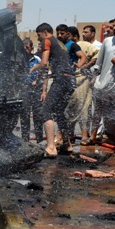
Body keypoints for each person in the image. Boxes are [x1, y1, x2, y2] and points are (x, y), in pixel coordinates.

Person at [29, 23, 75, 157]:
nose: (38, 39)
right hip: (70, 80)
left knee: (45, 111)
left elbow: (44, 63)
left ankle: (51, 147)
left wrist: (31, 69)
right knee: (59, 112)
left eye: (38, 36)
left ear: (44, 32)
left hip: (61, 80)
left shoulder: (47, 41)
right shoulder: (60, 44)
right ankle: (67, 145)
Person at [88, 17, 115, 146]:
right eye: (112, 27)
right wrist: (94, 78)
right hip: (102, 83)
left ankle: (114, 138)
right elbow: (98, 63)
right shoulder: (106, 42)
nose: (114, 29)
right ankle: (93, 135)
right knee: (98, 111)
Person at [20, 38, 44, 143]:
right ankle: (25, 139)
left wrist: (43, 90)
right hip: (24, 90)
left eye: (27, 48)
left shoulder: (37, 60)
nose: (25, 50)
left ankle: (39, 139)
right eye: (23, 48)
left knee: (37, 115)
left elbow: (44, 74)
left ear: (31, 48)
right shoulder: (19, 60)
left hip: (36, 89)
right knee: (24, 115)